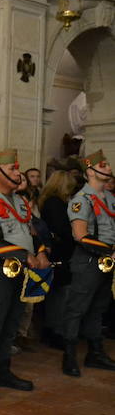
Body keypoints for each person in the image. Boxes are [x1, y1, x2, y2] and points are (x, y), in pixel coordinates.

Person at [0, 149, 49, 399]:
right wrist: (25, 255)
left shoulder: (19, 201)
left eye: (17, 168)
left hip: (22, 271)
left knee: (12, 322)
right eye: (13, 168)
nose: (18, 172)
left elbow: (32, 235)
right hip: (0, 270)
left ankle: (2, 370)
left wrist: (42, 251)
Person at [61, 150, 115, 377]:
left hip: (107, 260)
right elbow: (80, 235)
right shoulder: (80, 200)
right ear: (90, 171)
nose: (108, 167)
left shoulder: (110, 198)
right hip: (89, 259)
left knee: (98, 307)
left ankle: (95, 352)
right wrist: (109, 252)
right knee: (77, 309)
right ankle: (69, 356)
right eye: (102, 165)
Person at [38, 170, 77, 348]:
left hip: (60, 253)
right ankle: (55, 331)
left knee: (58, 293)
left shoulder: (52, 202)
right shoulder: (55, 204)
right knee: (59, 293)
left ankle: (54, 330)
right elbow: (62, 229)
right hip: (59, 254)